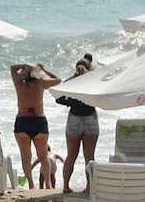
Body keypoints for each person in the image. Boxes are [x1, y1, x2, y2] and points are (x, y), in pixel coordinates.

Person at [10, 61, 61, 189]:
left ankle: (31, 185)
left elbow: (12, 68)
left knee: (26, 158)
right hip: (39, 121)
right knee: (43, 156)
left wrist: (25, 66)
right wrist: (44, 69)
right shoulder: (41, 83)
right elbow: (58, 80)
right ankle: (48, 185)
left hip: (22, 122)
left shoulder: (19, 84)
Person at [55, 55, 98, 193]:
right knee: (89, 158)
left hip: (74, 119)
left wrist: (70, 102)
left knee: (71, 156)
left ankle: (66, 187)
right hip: (90, 119)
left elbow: (58, 97)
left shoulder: (73, 81)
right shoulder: (93, 81)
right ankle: (89, 188)